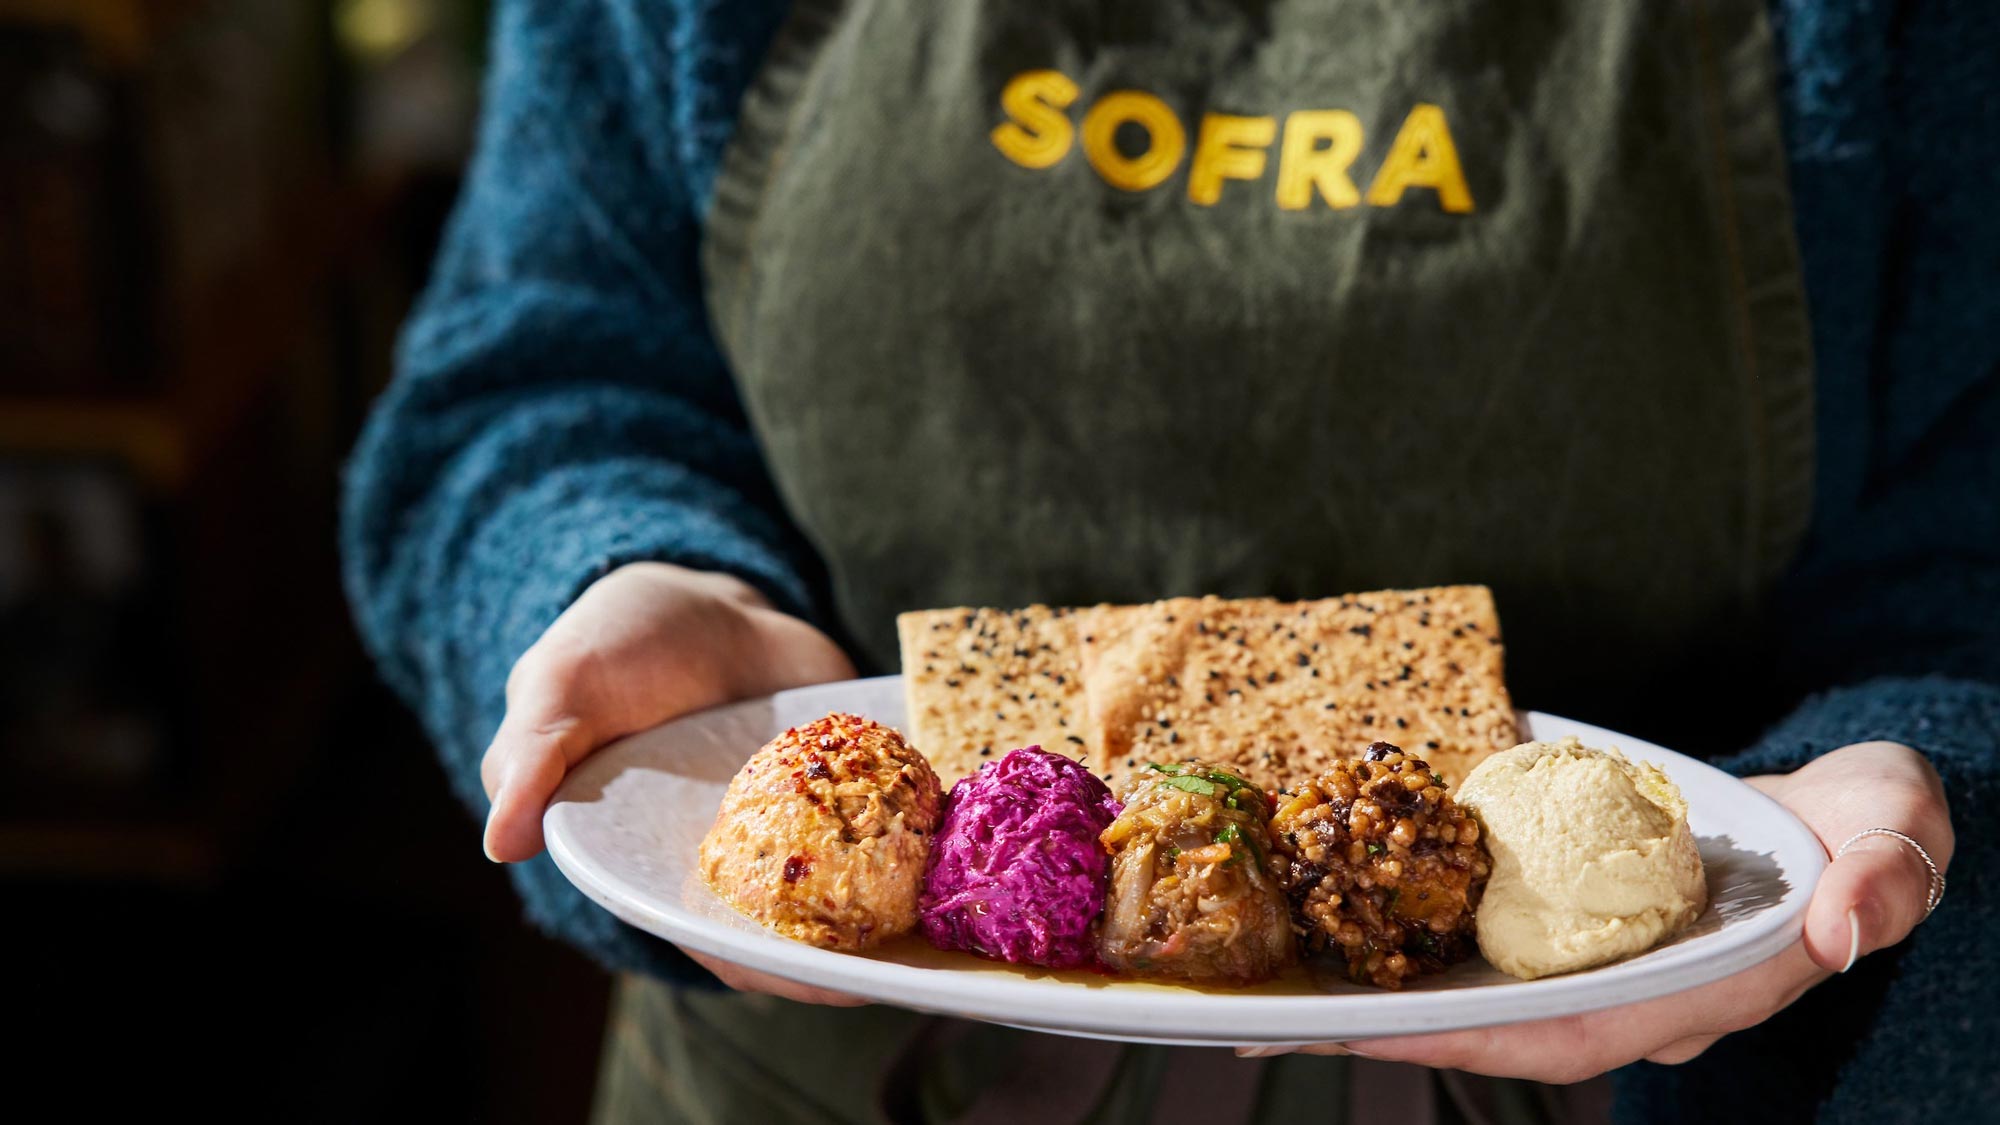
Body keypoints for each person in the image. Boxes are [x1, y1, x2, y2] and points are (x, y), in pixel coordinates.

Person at [341, 0, 1994, 1120]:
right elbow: (542, 375)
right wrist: (619, 576)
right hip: (805, 1056)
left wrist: (1915, 783)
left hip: (1671, 1059)